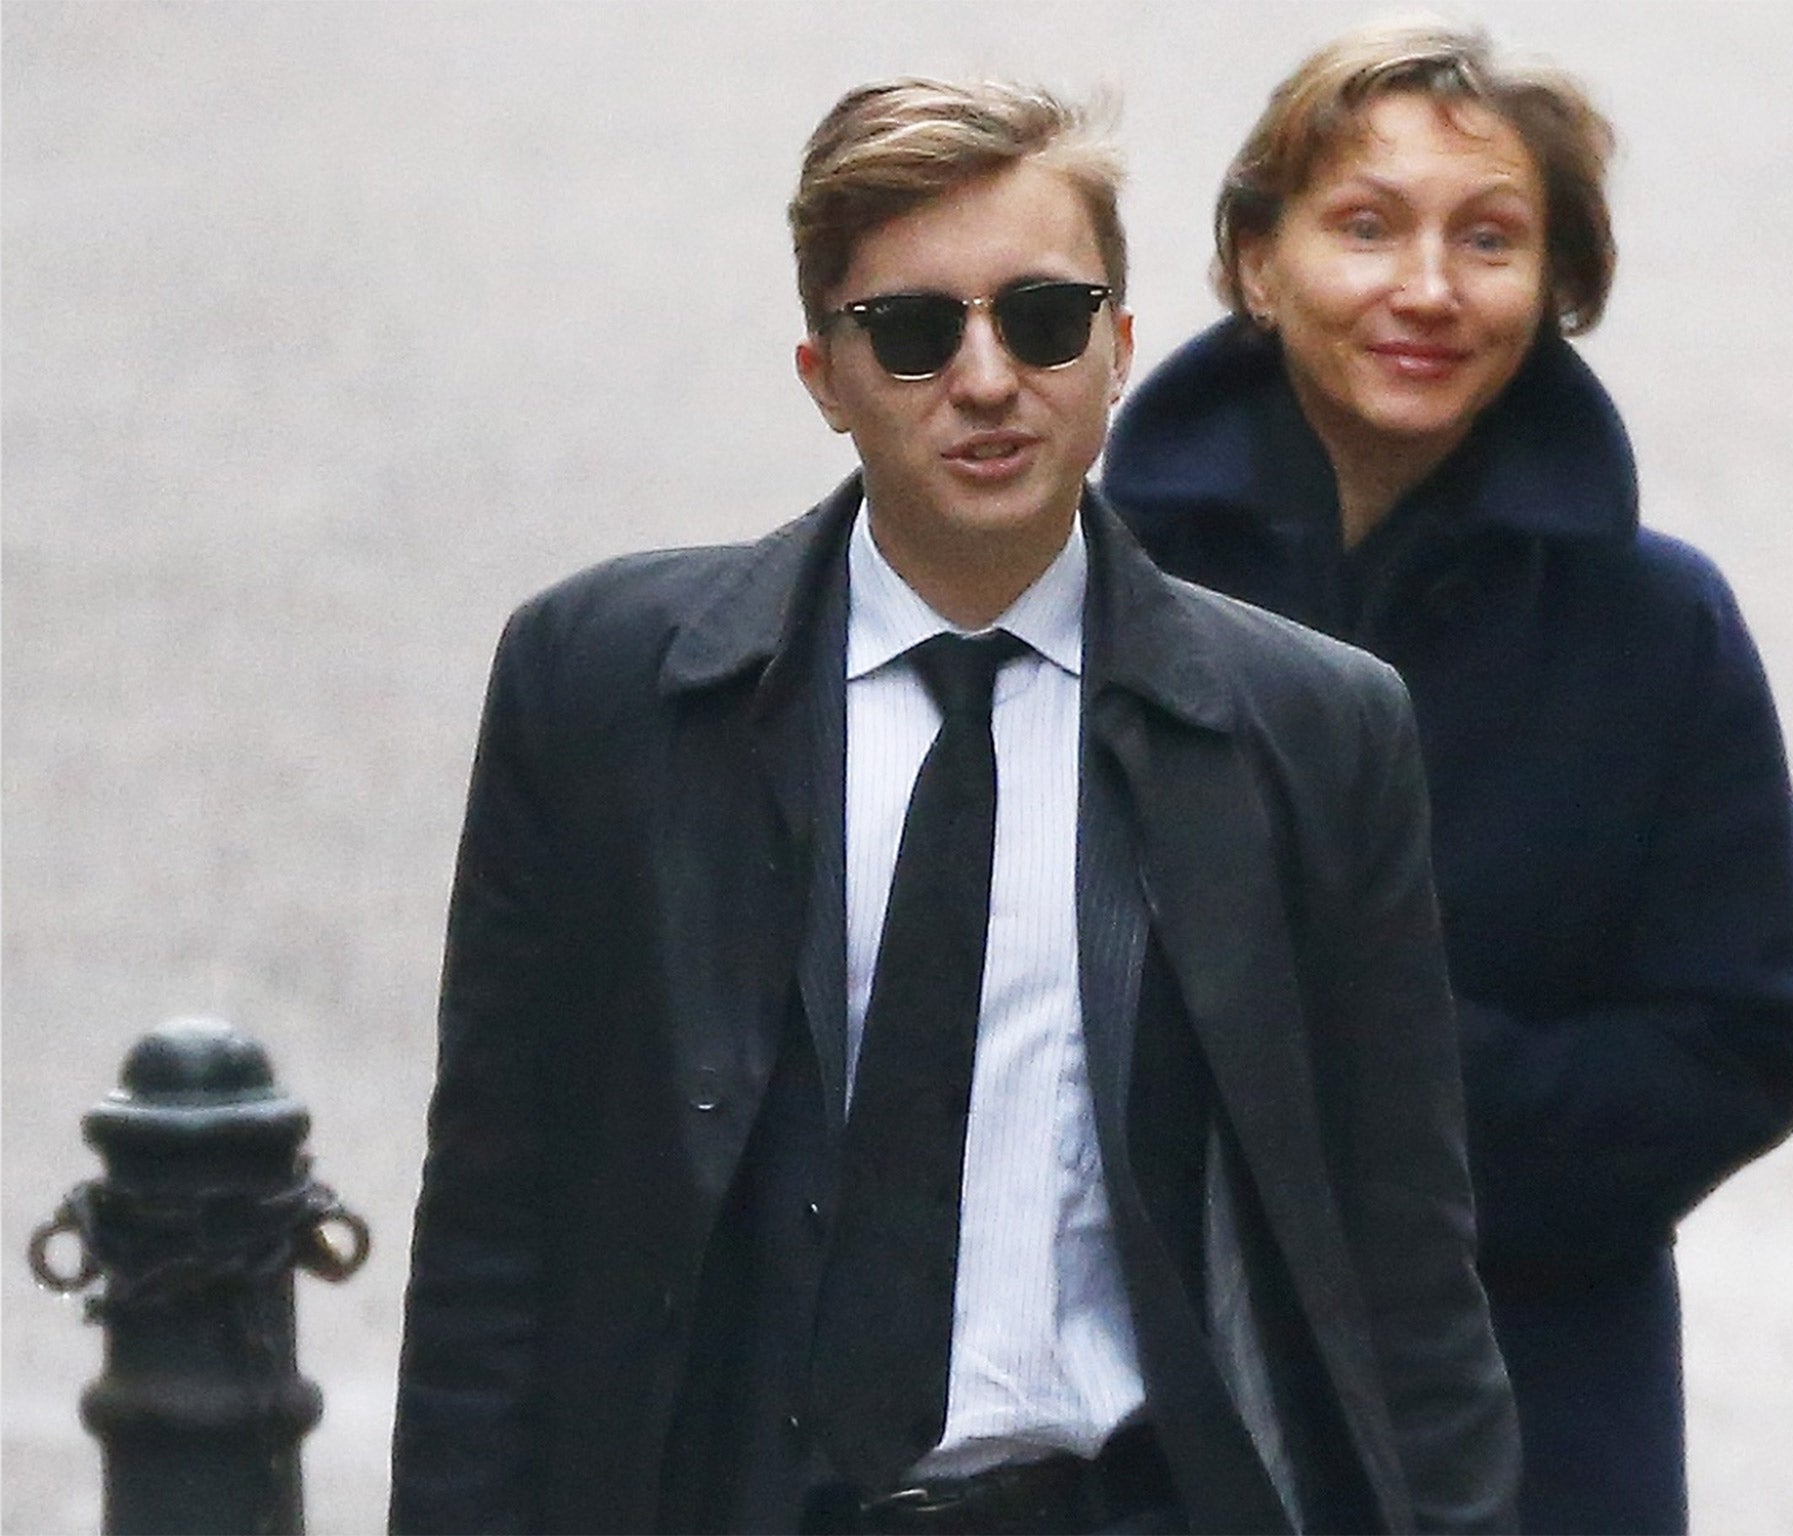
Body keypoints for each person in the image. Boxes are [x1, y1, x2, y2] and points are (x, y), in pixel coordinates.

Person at [391, 76, 1519, 1536]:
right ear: (823, 376)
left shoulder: (1312, 734)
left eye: (1043, 320)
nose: (987, 380)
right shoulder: (603, 687)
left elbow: (1409, 1276)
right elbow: (495, 1225)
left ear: (1118, 349)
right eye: (915, 334)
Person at [1102, 19, 1793, 1535]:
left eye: (1488, 239)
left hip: (1532, 1397)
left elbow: (1739, 1040)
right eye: (1366, 227)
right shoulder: (1100, 597)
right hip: (1139, 1409)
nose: (1426, 289)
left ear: (1557, 285)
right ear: (1257, 263)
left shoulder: (1657, 627)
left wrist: (1402, 1113)